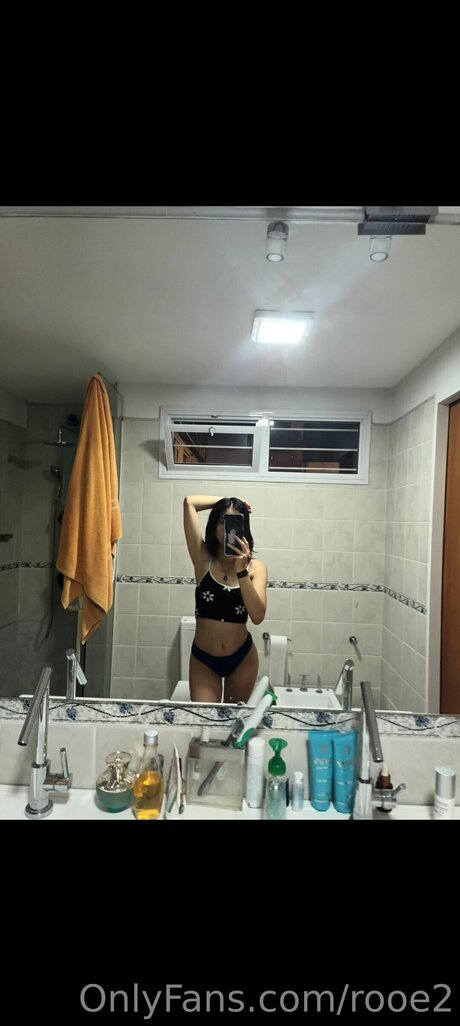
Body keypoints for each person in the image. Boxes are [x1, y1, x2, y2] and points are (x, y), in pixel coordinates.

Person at [183, 495, 268, 703]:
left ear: (243, 527)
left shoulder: (256, 568)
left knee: (234, 719)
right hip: (203, 660)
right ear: (214, 525)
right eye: (222, 521)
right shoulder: (202, 558)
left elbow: (257, 616)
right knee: (204, 719)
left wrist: (241, 571)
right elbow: (189, 503)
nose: (227, 528)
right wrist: (226, 501)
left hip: (242, 659)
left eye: (234, 521)